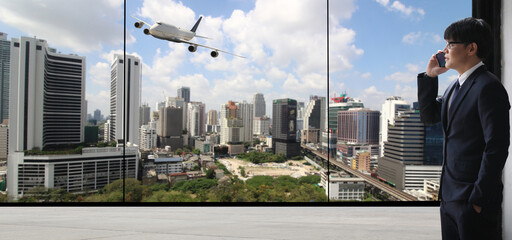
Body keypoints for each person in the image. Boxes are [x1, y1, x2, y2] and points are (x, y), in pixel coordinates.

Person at [417, 17, 509, 240]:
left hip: (472, 200)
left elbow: (496, 147)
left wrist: (478, 200)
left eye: (450, 44)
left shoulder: (488, 86)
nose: (444, 50)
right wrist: (429, 77)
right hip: (449, 196)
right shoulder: (454, 87)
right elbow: (429, 117)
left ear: (471, 48)